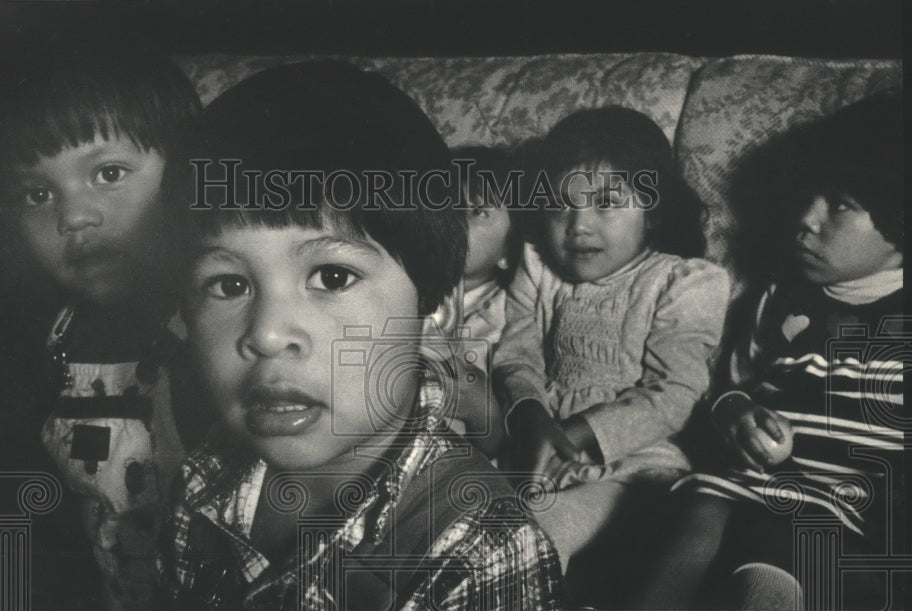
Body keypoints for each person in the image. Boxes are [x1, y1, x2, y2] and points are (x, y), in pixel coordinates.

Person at [157, 60, 564, 609]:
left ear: (434, 312)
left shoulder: (481, 547)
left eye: (331, 277)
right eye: (229, 284)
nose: (269, 334)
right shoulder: (207, 474)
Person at [637, 92, 905, 610]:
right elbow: (728, 388)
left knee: (782, 547)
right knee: (705, 505)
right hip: (756, 480)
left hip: (861, 511)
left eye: (841, 205)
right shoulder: (777, 298)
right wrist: (736, 412)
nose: (806, 218)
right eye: (808, 196)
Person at [0, 46, 203, 610]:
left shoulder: (217, 324)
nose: (72, 217)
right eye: (38, 194)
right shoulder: (53, 337)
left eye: (108, 173)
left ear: (187, 171)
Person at [493, 107, 730, 573]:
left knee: (533, 540)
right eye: (562, 205)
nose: (579, 225)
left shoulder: (683, 282)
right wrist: (533, 416)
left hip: (635, 465)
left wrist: (575, 435)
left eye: (605, 203)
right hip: (537, 451)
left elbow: (675, 393)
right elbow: (515, 360)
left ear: (654, 211)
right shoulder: (540, 271)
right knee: (463, 523)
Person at [431, 145, 525, 456]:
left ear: (507, 253)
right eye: (444, 204)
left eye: (477, 211)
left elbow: (505, 440)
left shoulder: (509, 318)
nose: (452, 218)